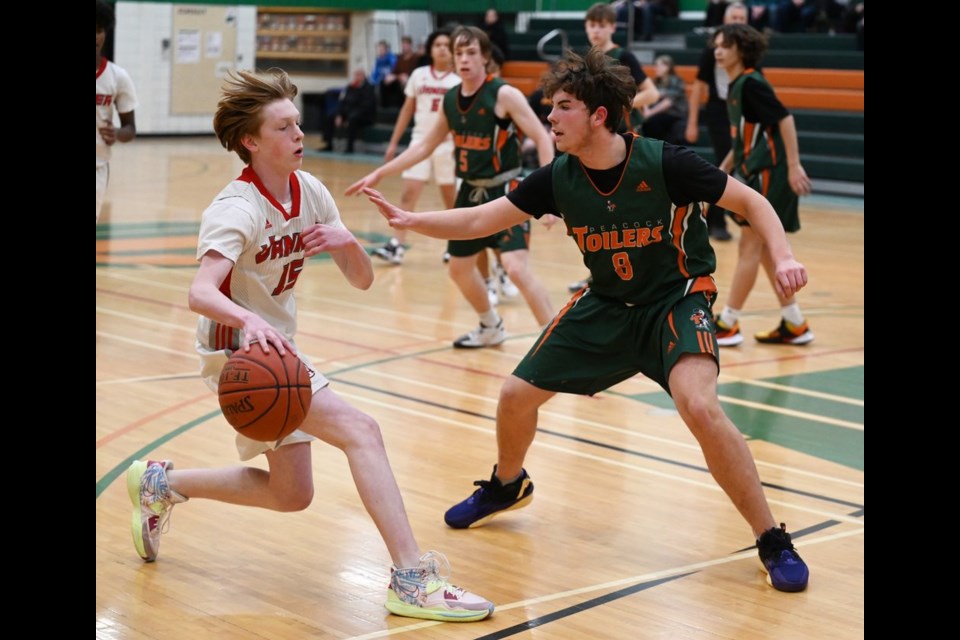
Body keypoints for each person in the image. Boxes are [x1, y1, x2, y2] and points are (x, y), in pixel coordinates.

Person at [362, 47, 811, 594]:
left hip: (676, 299)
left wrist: (784, 256)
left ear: (599, 115)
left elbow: (752, 203)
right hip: (606, 304)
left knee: (699, 405)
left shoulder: (666, 161)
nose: (550, 117)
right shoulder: (556, 177)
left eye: (563, 106)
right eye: (550, 107)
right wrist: (411, 219)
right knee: (513, 395)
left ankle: (771, 538)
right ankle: (507, 485)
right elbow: (482, 217)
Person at [125, 68, 494, 623]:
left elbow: (363, 280)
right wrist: (248, 322)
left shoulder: (311, 191)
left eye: (299, 123)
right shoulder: (236, 208)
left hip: (275, 347)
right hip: (239, 353)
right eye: (284, 126)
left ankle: (161, 483)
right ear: (251, 141)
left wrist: (348, 243)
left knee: (291, 493)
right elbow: (200, 292)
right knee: (362, 431)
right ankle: (412, 580)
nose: (299, 134)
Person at [346, 26, 556, 348]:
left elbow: (542, 137)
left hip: (507, 190)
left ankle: (558, 341)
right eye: (459, 53)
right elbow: (424, 147)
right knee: (459, 269)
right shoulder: (451, 100)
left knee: (515, 267)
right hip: (470, 190)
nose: (464, 59)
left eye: (471, 52)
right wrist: (380, 172)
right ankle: (491, 325)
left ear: (485, 57)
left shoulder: (503, 94)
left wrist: (548, 194)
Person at [712, 24, 814, 346]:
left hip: (772, 171)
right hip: (756, 170)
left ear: (741, 50)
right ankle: (795, 322)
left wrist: (795, 165)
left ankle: (727, 321)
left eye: (725, 45)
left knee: (750, 245)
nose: (718, 51)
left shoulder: (752, 84)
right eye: (716, 45)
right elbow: (744, 139)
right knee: (770, 250)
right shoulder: (737, 86)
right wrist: (723, 170)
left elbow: (785, 119)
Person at [569, 2, 661, 292]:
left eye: (601, 24)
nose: (596, 29)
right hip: (592, 145)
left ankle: (638, 271)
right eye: (591, 24)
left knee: (629, 212)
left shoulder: (624, 56)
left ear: (612, 26)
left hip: (623, 144)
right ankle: (601, 273)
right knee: (598, 214)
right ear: (586, 27)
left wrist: (619, 103)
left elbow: (652, 92)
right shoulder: (584, 61)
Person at [373, 29, 461, 266]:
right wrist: (393, 143)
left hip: (447, 145)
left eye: (446, 44)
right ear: (431, 50)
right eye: (437, 44)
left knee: (450, 198)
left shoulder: (460, 80)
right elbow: (407, 110)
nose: (442, 48)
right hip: (420, 141)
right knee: (408, 194)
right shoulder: (419, 75)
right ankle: (397, 245)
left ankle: (455, 246)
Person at [684, 1, 750, 242]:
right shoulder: (714, 49)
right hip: (719, 110)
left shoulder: (749, 51)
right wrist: (692, 122)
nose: (738, 22)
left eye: (742, 18)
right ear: (725, 20)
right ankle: (716, 219)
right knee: (726, 160)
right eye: (734, 17)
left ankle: (722, 214)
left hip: (742, 109)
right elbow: (698, 87)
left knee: (732, 162)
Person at [97, 0, 137, 222]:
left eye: (99, 30)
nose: (95, 36)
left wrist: (117, 133)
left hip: (98, 167)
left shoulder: (117, 76)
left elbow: (130, 128)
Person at [320, 68, 376, 154]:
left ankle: (350, 147)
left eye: (359, 75)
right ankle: (329, 144)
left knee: (352, 119)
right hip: (347, 113)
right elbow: (342, 102)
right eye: (355, 75)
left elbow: (366, 106)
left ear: (363, 76)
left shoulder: (369, 88)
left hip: (363, 116)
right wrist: (339, 115)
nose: (357, 77)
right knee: (330, 117)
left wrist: (348, 117)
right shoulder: (350, 87)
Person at [641, 54, 688, 144]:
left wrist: (650, 113)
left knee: (653, 122)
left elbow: (669, 102)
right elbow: (646, 95)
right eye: (655, 65)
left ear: (667, 67)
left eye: (658, 65)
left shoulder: (676, 80)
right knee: (647, 123)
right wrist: (646, 109)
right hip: (659, 115)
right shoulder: (655, 81)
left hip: (674, 114)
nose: (656, 68)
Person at [382, 35, 420, 109]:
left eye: (406, 45)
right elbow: (395, 70)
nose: (404, 47)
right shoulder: (399, 57)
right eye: (403, 45)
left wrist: (406, 76)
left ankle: (406, 105)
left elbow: (414, 70)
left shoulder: (415, 57)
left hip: (410, 78)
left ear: (410, 45)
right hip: (399, 77)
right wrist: (391, 76)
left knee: (405, 81)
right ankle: (388, 107)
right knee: (386, 81)